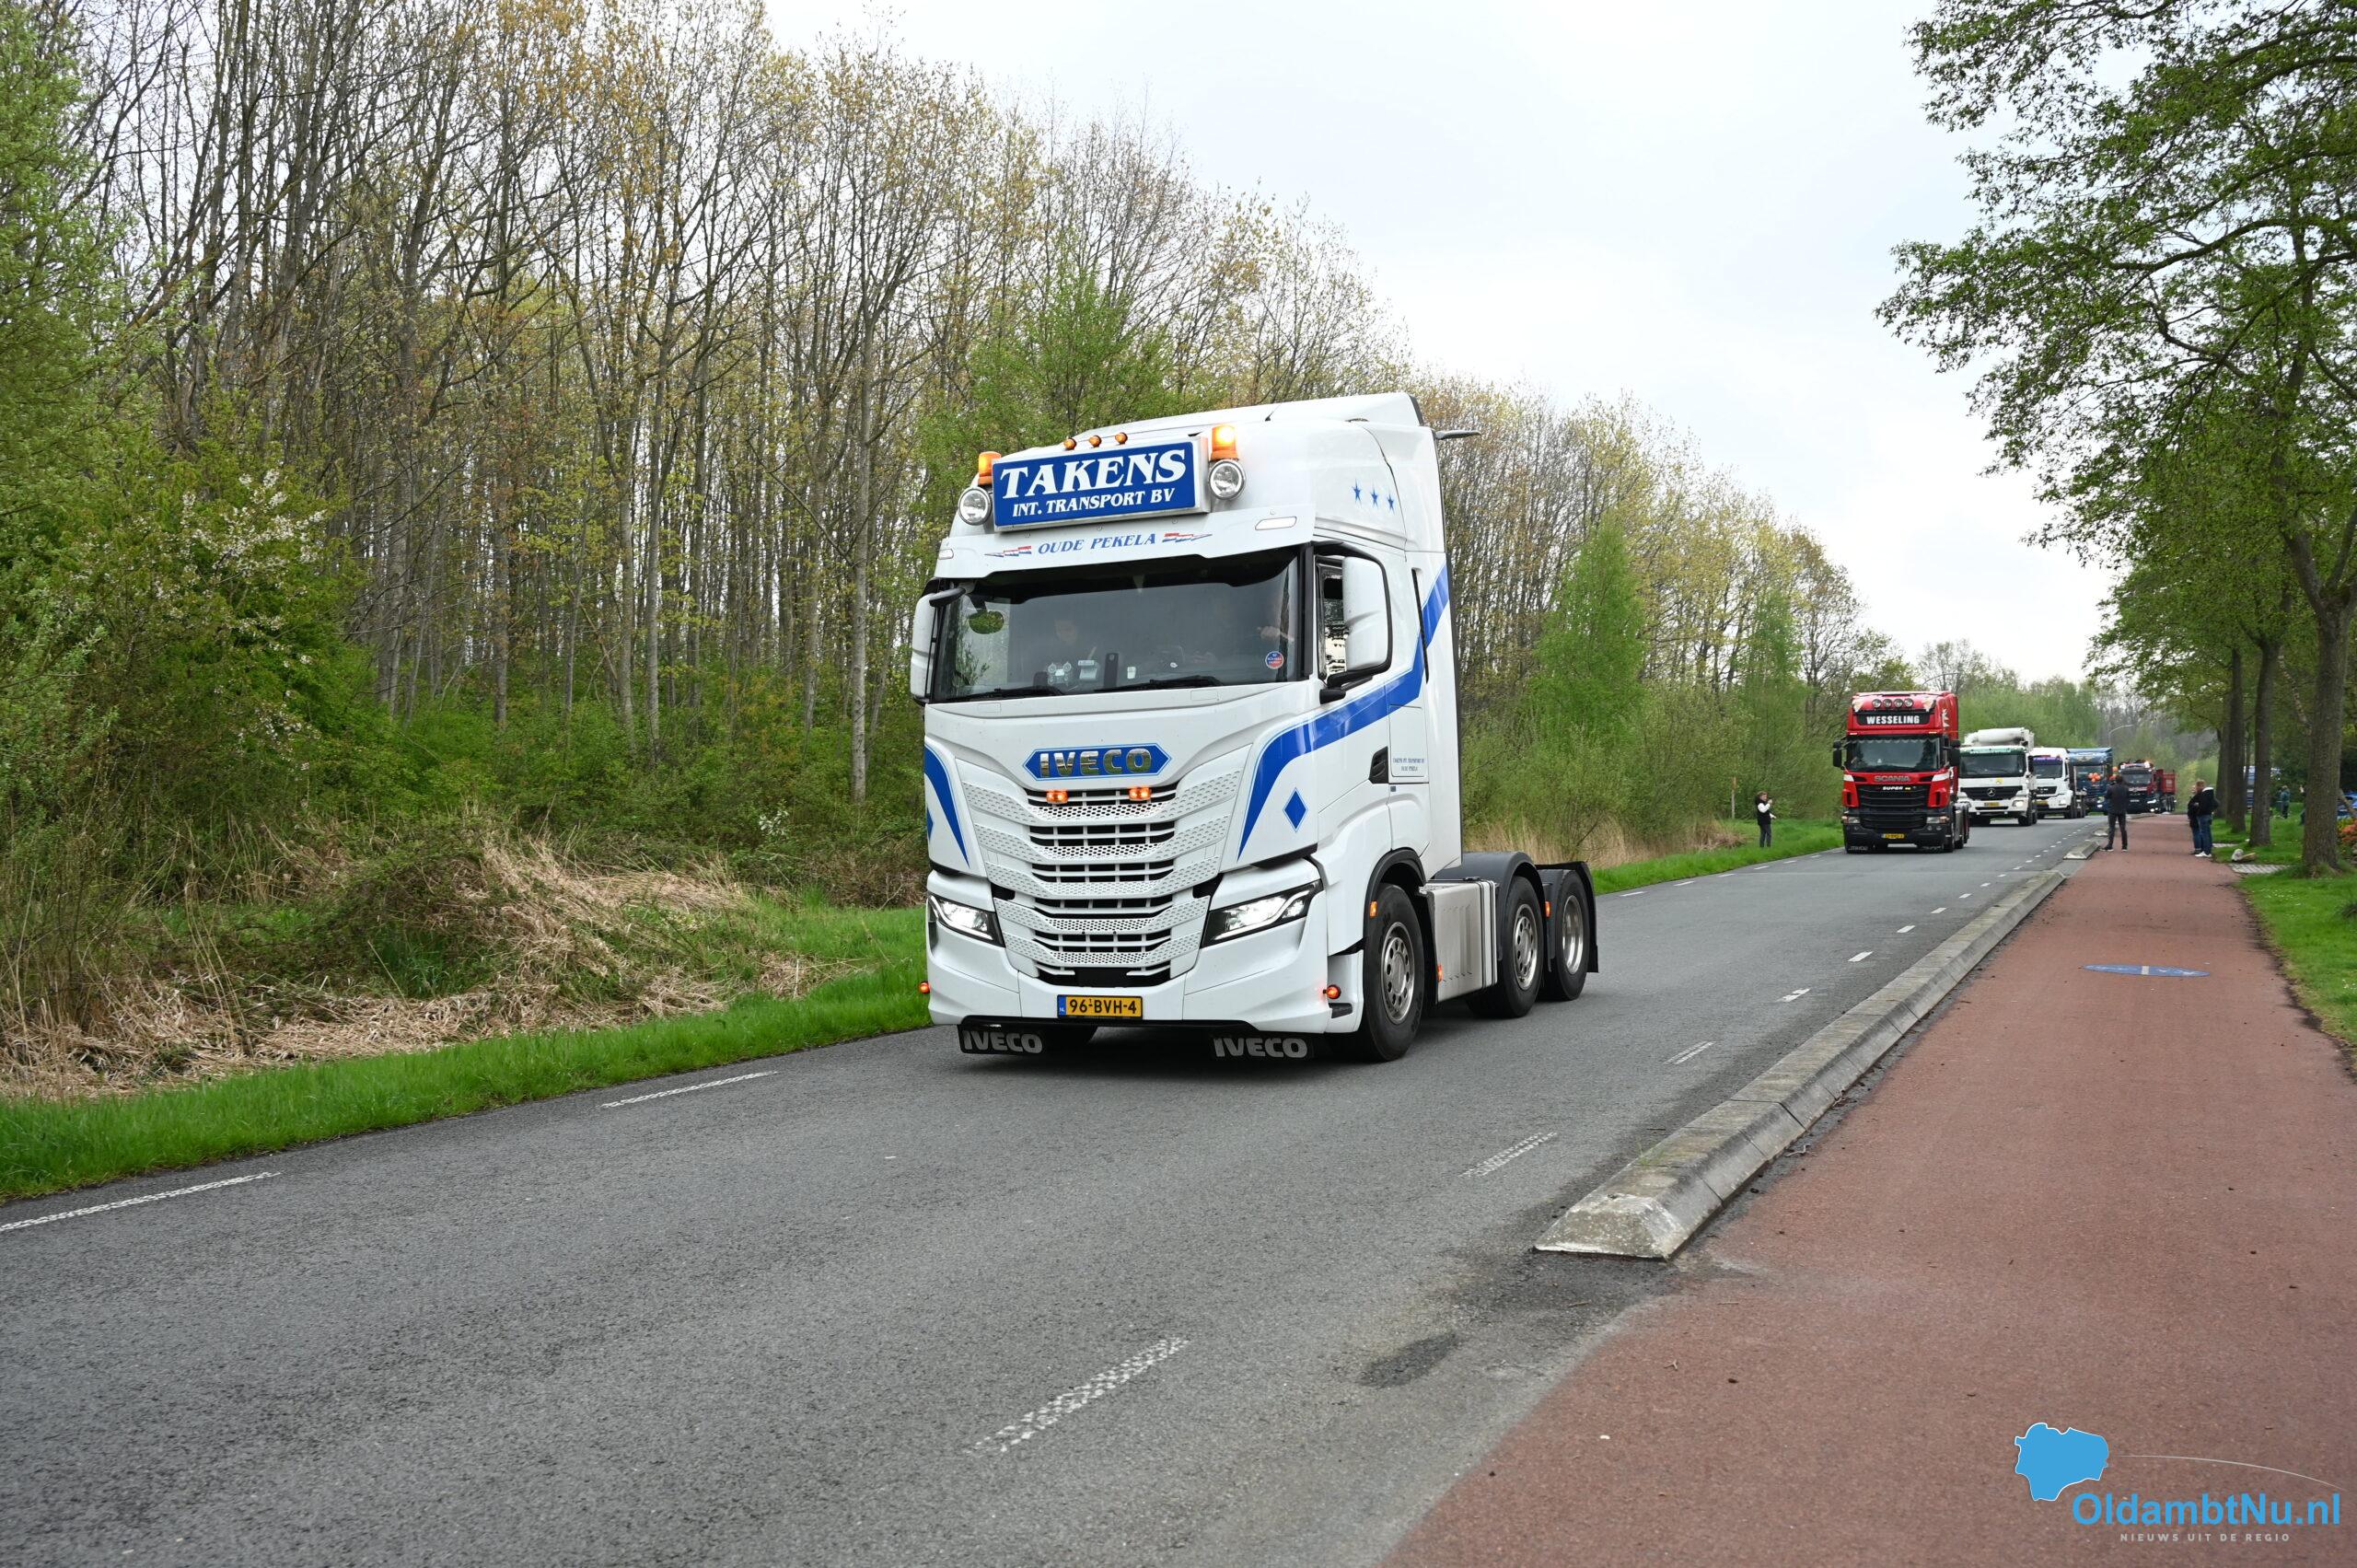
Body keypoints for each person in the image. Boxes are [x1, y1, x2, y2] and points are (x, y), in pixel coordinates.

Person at [2187, 777, 2219, 856]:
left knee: (2202, 833)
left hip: (2200, 816)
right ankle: (2207, 849)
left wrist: (2198, 809)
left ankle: (2204, 850)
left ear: (2199, 786)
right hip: (2206, 815)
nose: (2196, 788)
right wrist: (2210, 810)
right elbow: (2216, 803)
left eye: (2196, 786)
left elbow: (2194, 805)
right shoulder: (2208, 795)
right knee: (2206, 832)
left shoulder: (2201, 795)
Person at [2104, 770, 2133, 849]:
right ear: (2122, 780)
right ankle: (2124, 846)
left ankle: (2110, 845)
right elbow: (2128, 798)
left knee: (2112, 828)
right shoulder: (2126, 788)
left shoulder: (2111, 788)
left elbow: (2106, 797)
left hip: (2112, 810)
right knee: (2123, 828)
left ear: (2115, 780)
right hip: (2122, 810)